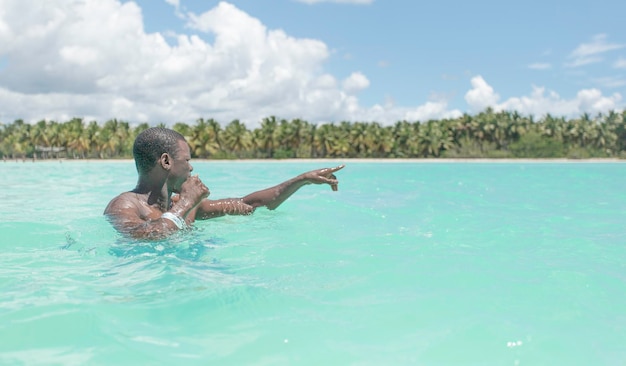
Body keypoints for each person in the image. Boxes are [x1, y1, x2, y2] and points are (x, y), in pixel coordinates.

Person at [104, 127, 344, 239]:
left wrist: (300, 180)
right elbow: (144, 237)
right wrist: (186, 202)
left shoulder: (182, 205)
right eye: (186, 160)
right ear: (166, 161)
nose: (191, 167)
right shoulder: (124, 206)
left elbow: (248, 204)